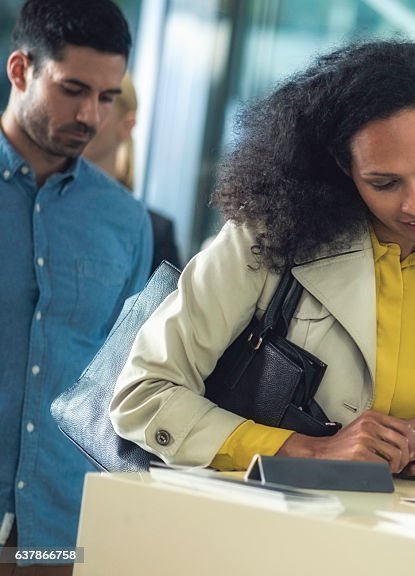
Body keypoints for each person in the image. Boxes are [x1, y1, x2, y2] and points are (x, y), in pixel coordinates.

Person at [111, 40, 415, 479]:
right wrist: (309, 452)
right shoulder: (268, 237)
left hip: (406, 535)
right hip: (258, 530)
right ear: (344, 167)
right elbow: (142, 395)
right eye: (384, 183)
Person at [0, 0, 152, 573]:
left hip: (63, 534)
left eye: (107, 96)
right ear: (21, 71)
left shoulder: (125, 223)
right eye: (73, 89)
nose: (91, 115)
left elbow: (124, 382)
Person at [84, 73, 182, 273]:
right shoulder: (42, 204)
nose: (83, 114)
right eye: (74, 93)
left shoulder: (153, 232)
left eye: (102, 101)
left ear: (127, 125)